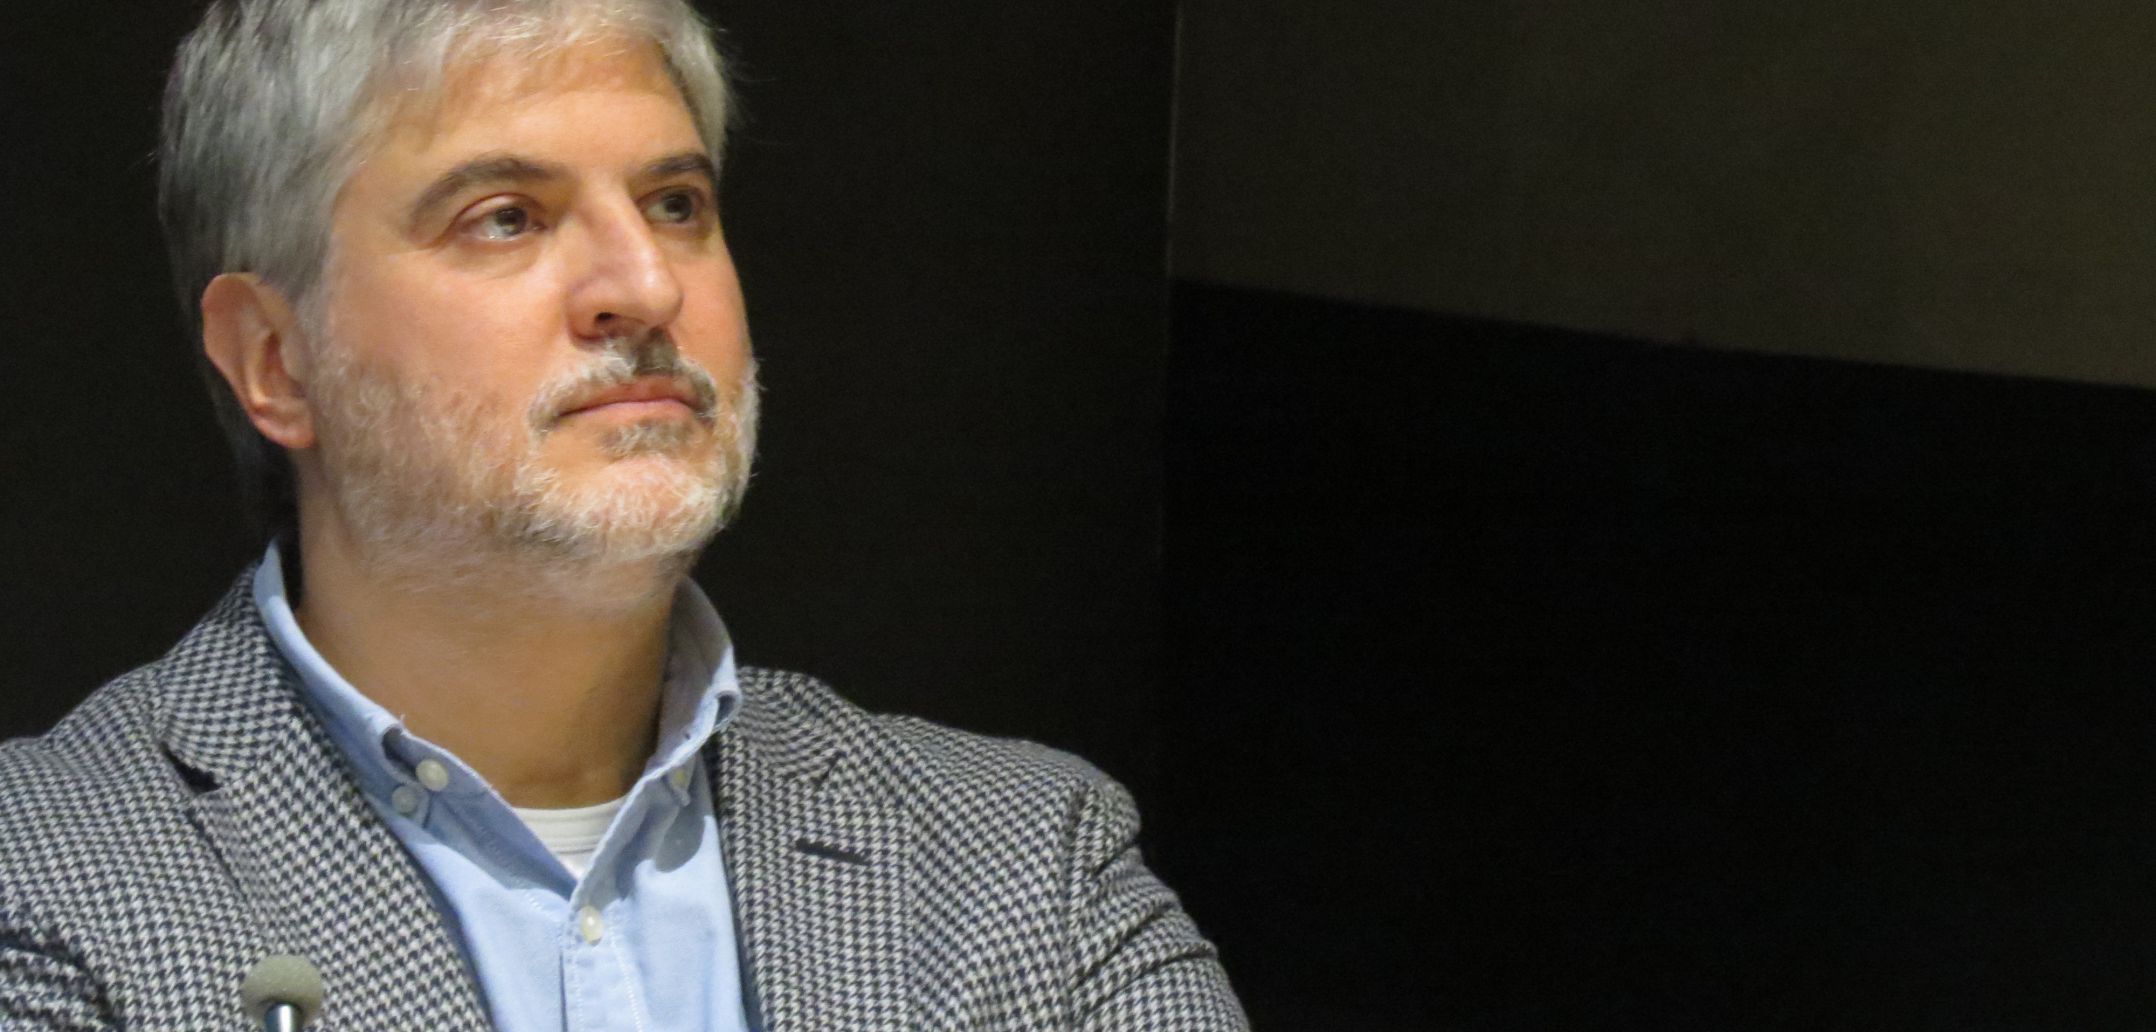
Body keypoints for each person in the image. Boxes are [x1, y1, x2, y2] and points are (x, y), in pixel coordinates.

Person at [0, 0, 1244, 1028]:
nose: (644, 286)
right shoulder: (45, 882)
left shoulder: (1023, 863)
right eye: (505, 217)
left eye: (674, 204)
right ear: (276, 360)